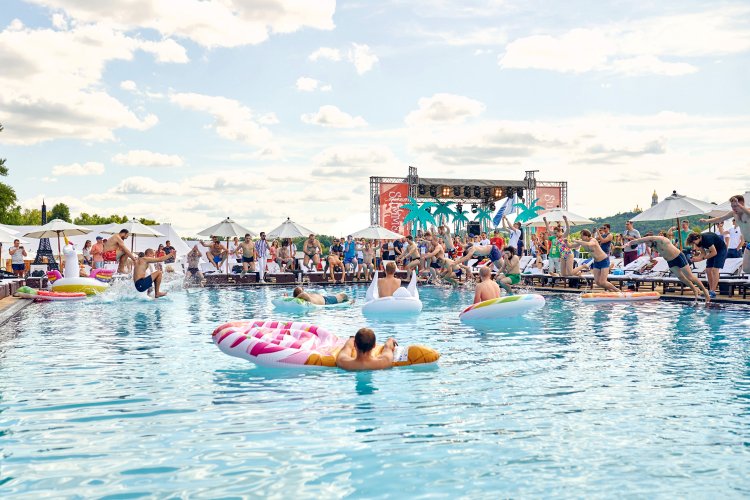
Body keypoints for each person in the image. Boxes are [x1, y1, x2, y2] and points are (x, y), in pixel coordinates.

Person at [626, 235, 710, 302]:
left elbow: (644, 239)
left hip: (678, 257)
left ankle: (705, 291)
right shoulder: (654, 246)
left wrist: (632, 242)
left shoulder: (660, 239)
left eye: (647, 243)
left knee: (690, 277)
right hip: (670, 261)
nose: (647, 245)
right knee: (681, 277)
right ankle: (694, 289)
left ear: (650, 240)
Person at [700, 195, 750, 274]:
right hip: (748, 244)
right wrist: (707, 221)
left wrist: (740, 206)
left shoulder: (748, 212)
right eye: (732, 206)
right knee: (746, 269)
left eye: (735, 206)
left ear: (742, 204)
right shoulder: (733, 213)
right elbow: (719, 218)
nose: (733, 208)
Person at [687, 232, 727, 299]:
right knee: (708, 270)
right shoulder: (698, 242)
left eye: (694, 242)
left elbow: (714, 252)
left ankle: (713, 291)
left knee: (715, 269)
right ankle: (710, 290)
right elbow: (703, 253)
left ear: (698, 238)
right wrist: (696, 259)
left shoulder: (707, 239)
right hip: (712, 251)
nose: (694, 244)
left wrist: (702, 258)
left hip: (721, 250)